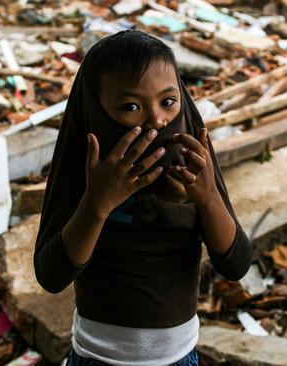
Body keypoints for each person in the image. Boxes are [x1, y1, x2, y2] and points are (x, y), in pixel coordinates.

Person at [33, 30, 252, 366]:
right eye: (131, 107)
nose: (157, 120)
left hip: (179, 358)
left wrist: (207, 198)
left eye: (168, 101)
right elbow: (51, 275)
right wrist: (97, 204)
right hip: (97, 357)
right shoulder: (90, 170)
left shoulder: (191, 161)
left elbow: (235, 264)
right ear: (97, 111)